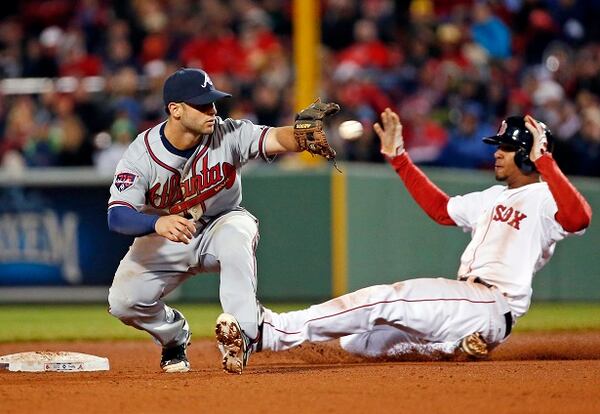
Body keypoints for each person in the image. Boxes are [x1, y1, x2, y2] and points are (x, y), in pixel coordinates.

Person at [259, 110, 592, 359]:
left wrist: (544, 160)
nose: (496, 153)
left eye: (505, 147)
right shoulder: (493, 197)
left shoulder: (547, 197)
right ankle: (449, 348)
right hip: (469, 306)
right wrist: (400, 159)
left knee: (383, 298)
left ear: (526, 154)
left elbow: (579, 219)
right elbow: (441, 210)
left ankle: (274, 330)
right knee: (361, 341)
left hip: (491, 302)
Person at [106, 67, 338, 374]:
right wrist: (157, 224)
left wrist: (298, 136)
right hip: (168, 233)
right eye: (201, 104)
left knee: (236, 236)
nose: (212, 110)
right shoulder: (141, 154)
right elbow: (117, 215)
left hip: (222, 222)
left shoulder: (228, 133)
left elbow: (275, 138)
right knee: (123, 302)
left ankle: (242, 333)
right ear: (175, 110)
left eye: (213, 102)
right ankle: (173, 337)